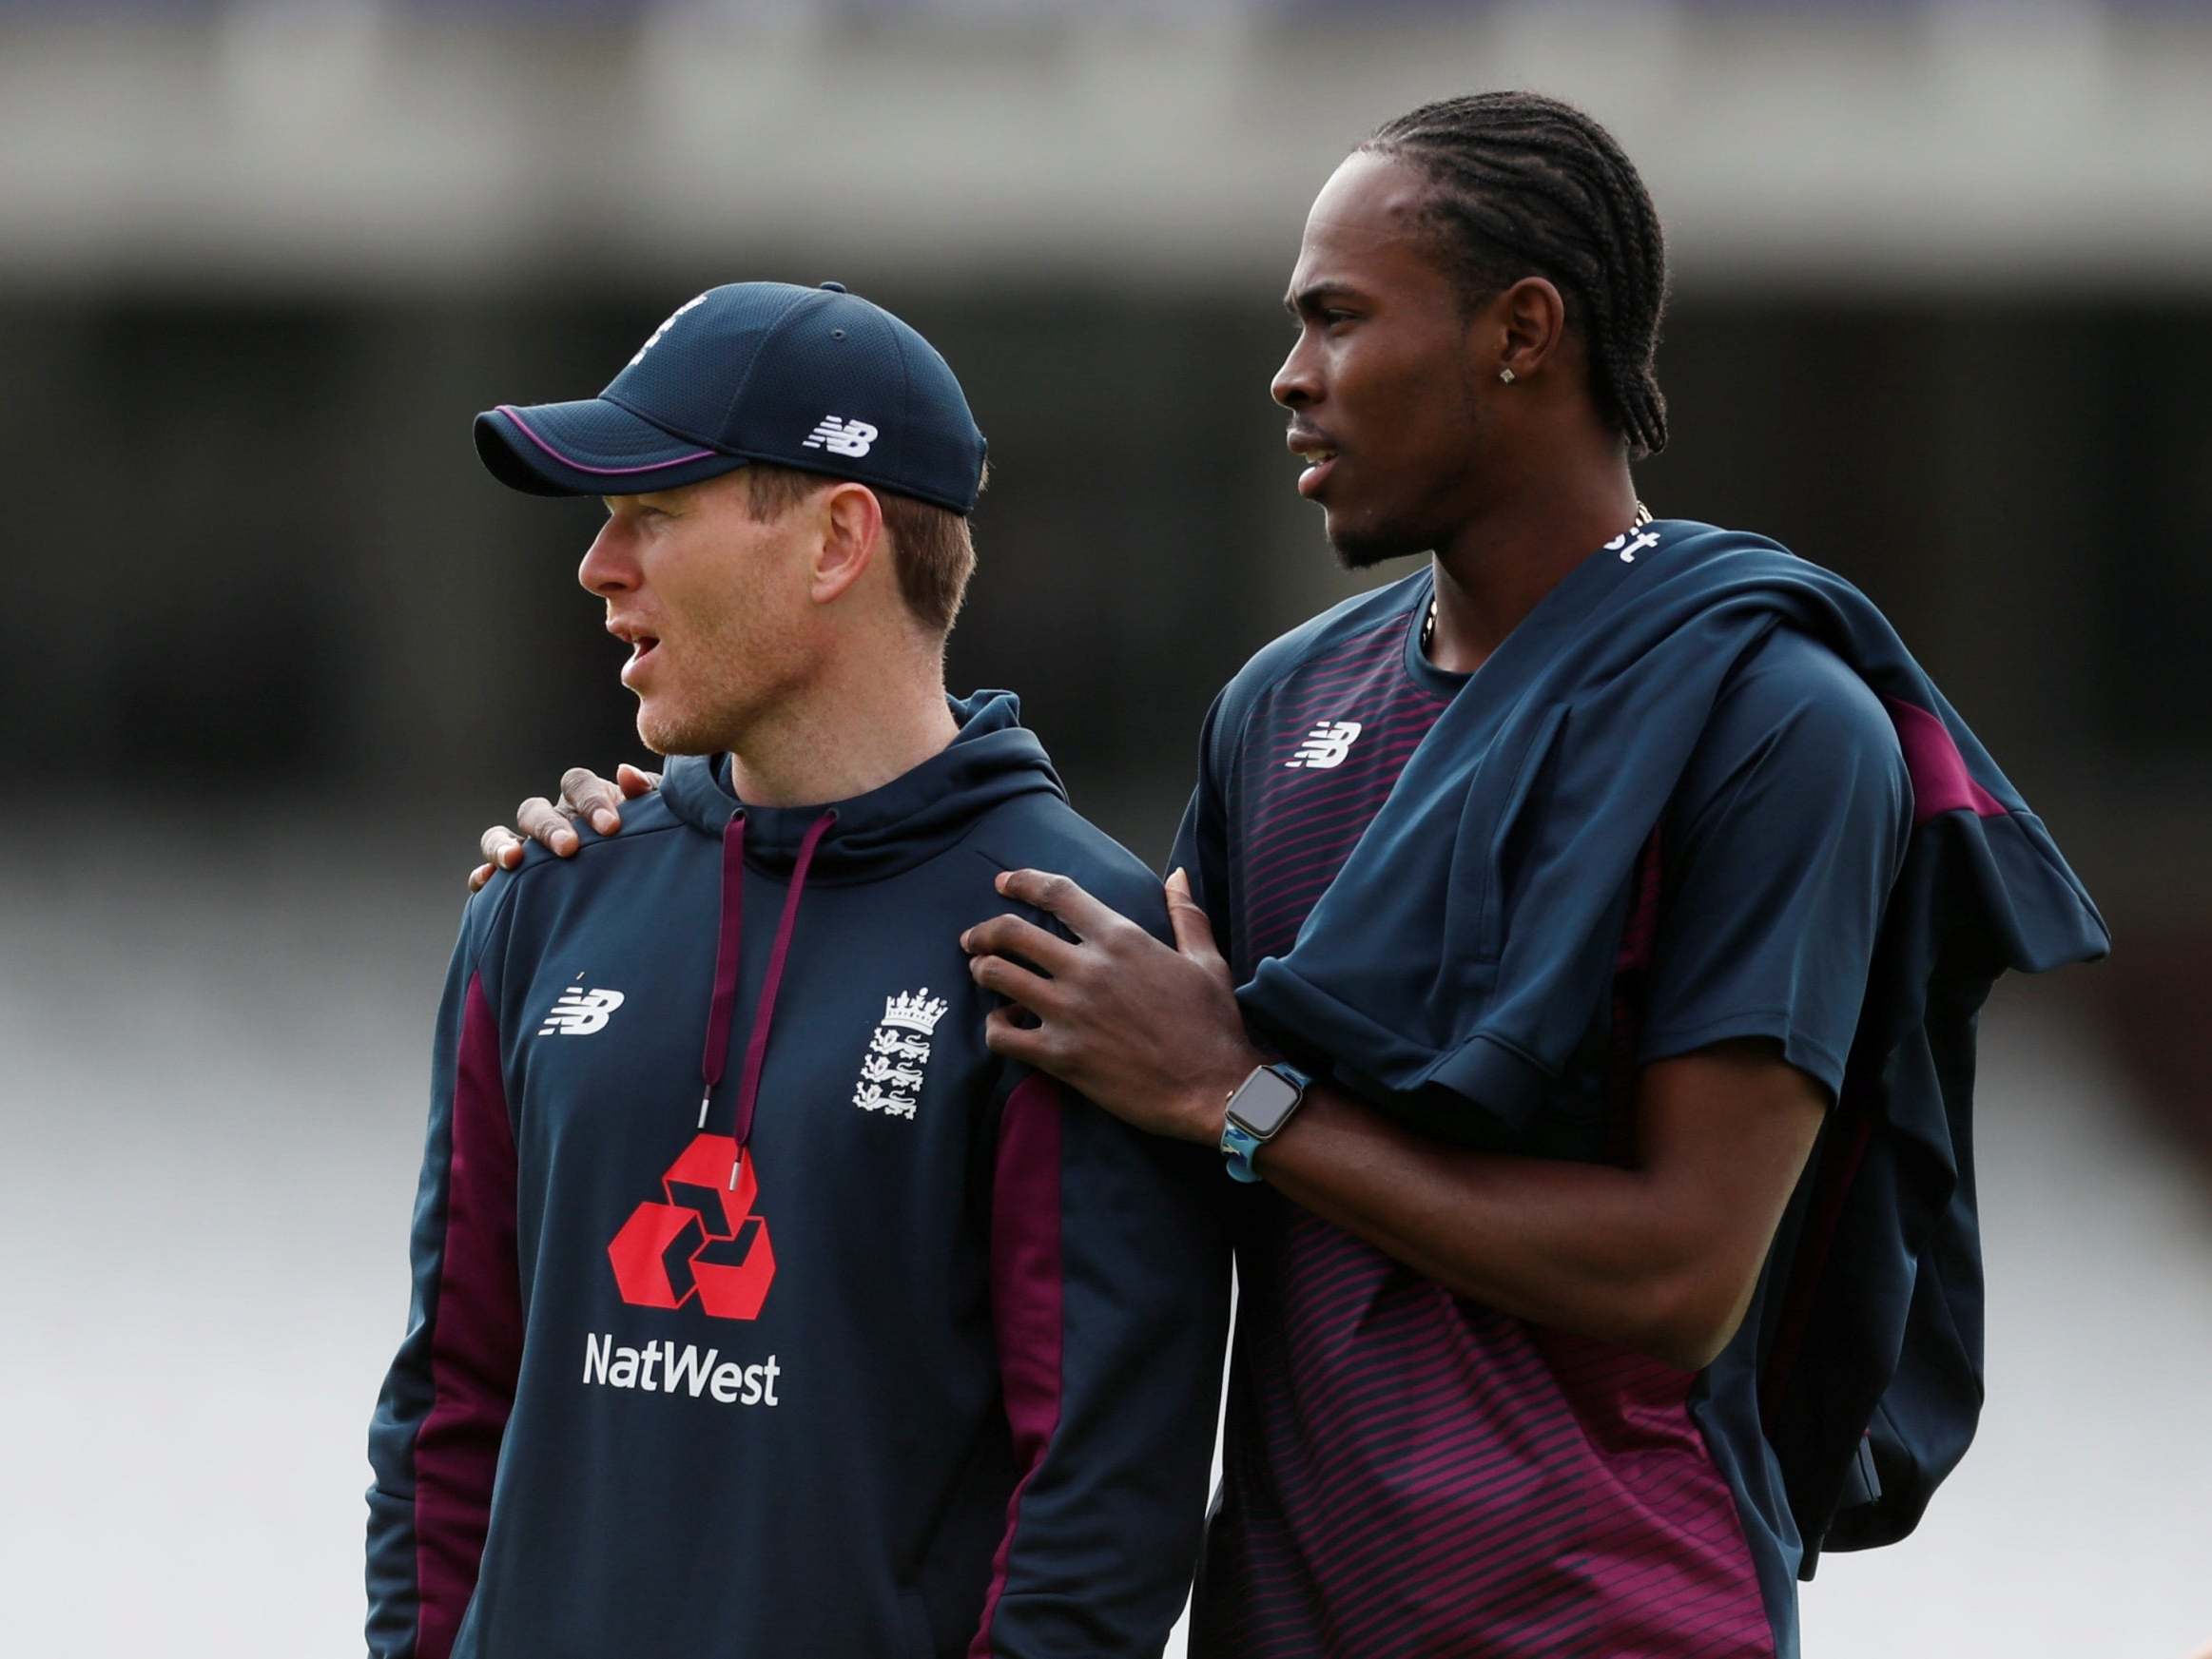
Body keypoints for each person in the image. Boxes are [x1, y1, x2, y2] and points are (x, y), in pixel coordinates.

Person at [485, 98, 2107, 1658]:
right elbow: (1122, 1115)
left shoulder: (1772, 717)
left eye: (1336, 321)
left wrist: (1249, 1106)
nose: (1289, 378)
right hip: (1293, 1608)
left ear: (1521, 332)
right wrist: (677, 844)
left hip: (1612, 1613)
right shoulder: (1284, 706)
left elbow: (1681, 1274)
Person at [366, 280, 1228, 1659]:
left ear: (837, 539)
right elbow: (448, 1399)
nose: (598, 565)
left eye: (650, 513)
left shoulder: (1076, 949)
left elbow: (1095, 1509)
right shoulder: (542, 902)